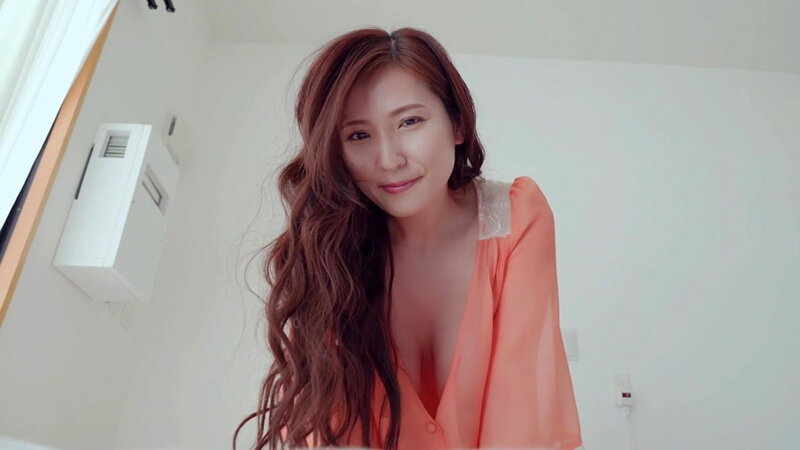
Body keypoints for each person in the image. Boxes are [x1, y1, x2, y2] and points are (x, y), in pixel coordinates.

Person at [234, 27, 583, 450]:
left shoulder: (514, 217)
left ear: (457, 123)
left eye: (409, 122)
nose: (388, 159)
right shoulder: (332, 255)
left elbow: (522, 419)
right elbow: (325, 430)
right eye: (358, 135)